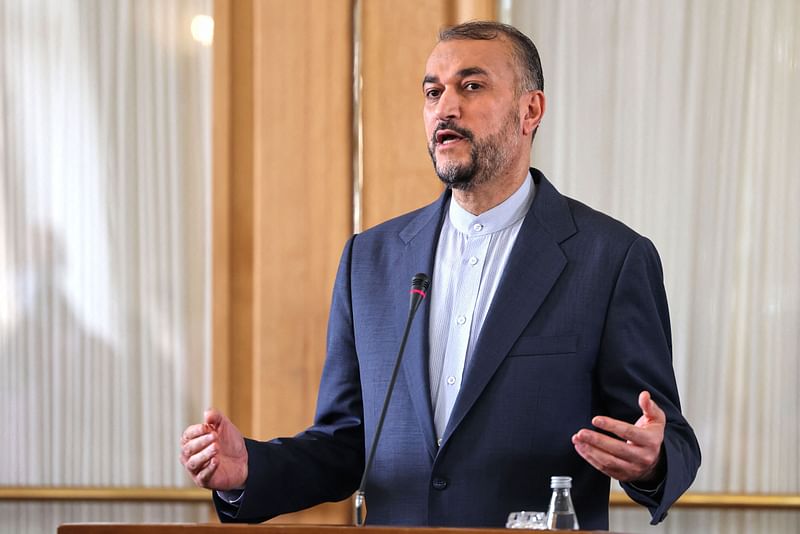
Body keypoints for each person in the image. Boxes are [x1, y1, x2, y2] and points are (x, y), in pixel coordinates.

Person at [180, 21, 700, 529]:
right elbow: (346, 442)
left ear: (530, 110)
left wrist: (652, 462)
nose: (445, 107)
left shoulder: (610, 259)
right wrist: (249, 469)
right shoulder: (371, 259)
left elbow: (668, 438)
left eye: (472, 86)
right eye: (433, 92)